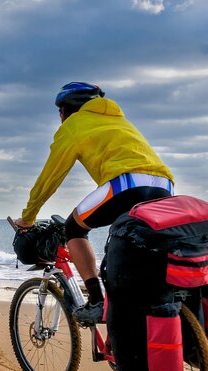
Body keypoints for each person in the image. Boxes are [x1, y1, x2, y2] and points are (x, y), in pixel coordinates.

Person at [14, 82, 174, 325]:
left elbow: (50, 178)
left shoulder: (74, 125)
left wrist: (28, 216)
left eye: (60, 111)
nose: (60, 117)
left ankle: (96, 301)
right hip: (165, 186)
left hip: (126, 184)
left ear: (67, 109)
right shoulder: (120, 120)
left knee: (74, 229)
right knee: (138, 244)